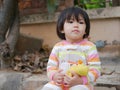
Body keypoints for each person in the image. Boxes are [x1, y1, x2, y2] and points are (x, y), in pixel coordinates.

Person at [41, 6, 101, 90]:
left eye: (80, 22)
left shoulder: (89, 47)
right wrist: (54, 75)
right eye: (71, 22)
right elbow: (51, 67)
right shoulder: (58, 47)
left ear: (86, 30)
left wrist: (81, 80)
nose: (76, 25)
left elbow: (96, 70)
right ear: (62, 28)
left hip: (82, 84)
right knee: (48, 88)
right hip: (60, 83)